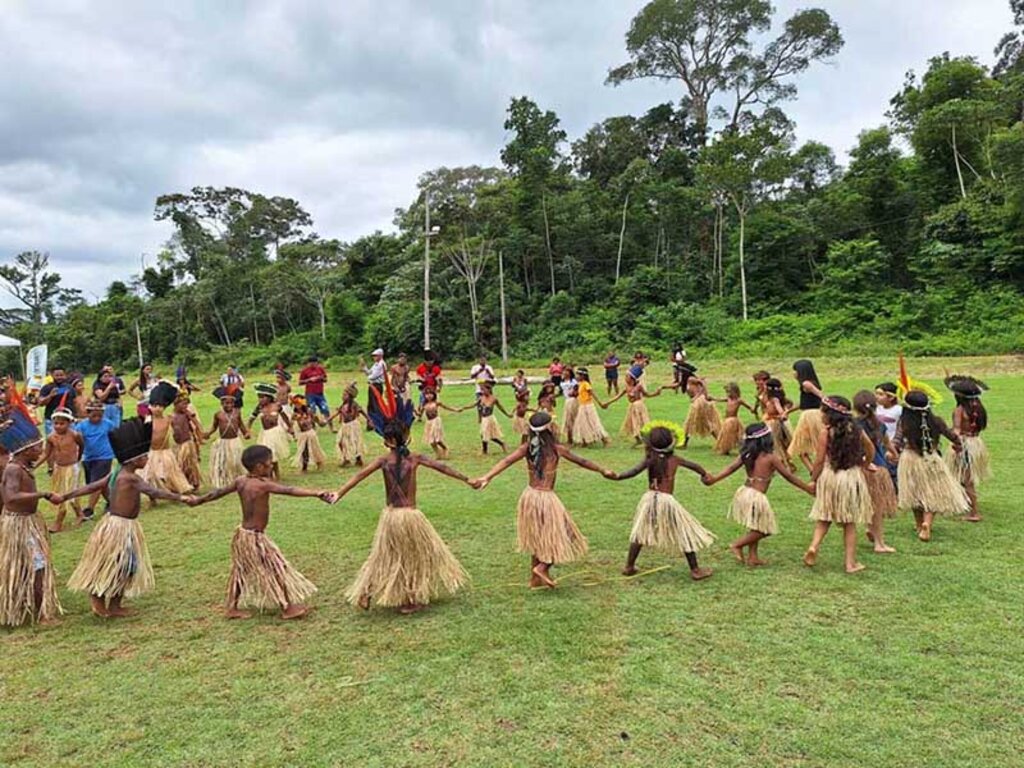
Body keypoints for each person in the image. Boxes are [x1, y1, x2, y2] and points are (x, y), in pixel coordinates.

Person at [334, 379, 473, 614]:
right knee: (411, 556)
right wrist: (468, 479)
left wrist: (339, 493)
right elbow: (444, 468)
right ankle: (410, 599)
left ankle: (367, 590)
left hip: (390, 516)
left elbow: (357, 478)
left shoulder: (382, 460)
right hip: (410, 516)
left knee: (384, 555)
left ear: (386, 440)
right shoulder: (415, 458)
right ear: (407, 434)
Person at [65, 418, 198, 618]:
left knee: (126, 565)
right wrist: (181, 497)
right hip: (118, 527)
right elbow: (155, 491)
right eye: (144, 456)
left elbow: (93, 486)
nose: (147, 459)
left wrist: (67, 495)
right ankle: (98, 601)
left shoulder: (116, 473)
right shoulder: (130, 478)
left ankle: (116, 604)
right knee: (115, 564)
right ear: (135, 459)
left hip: (122, 527)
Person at [471, 411, 615, 588]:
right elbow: (582, 461)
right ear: (550, 429)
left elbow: (507, 461)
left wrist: (487, 477)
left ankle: (535, 580)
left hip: (529, 496)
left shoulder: (526, 448)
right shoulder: (557, 449)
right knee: (567, 533)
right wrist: (602, 470)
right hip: (546, 498)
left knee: (538, 538)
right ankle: (543, 567)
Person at [193, 445, 331, 620]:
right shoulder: (262, 485)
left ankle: (232, 608)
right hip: (255, 538)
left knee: (241, 570)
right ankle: (287, 607)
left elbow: (218, 493)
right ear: (259, 467)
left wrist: (198, 500)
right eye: (268, 463)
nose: (272, 465)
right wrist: (316, 493)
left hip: (243, 534)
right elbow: (289, 490)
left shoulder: (241, 481)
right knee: (275, 569)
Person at [607, 422, 715, 581]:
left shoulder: (650, 458)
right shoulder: (675, 459)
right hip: (666, 501)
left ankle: (629, 566)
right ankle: (695, 570)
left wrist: (617, 476)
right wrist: (704, 474)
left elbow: (633, 471)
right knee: (684, 532)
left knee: (640, 532)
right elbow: (694, 466)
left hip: (650, 499)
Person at [704, 423, 815, 566]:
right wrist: (807, 488)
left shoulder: (746, 454)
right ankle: (737, 545)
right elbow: (789, 476)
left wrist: (714, 479)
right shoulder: (771, 457)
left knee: (756, 525)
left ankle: (753, 557)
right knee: (765, 529)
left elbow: (731, 468)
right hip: (756, 496)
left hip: (744, 492)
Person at [0, 388, 64, 626]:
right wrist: (44, 493)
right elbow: (11, 498)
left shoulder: (21, 466)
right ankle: (41, 614)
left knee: (37, 566)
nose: (41, 450)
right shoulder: (14, 469)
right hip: (20, 525)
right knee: (38, 566)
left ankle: (30, 607)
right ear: (25, 450)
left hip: (28, 522)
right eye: (37, 447)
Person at [803, 396, 876, 573]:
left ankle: (814, 546)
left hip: (830, 476)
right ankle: (850, 564)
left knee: (824, 515)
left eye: (823, 411)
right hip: (850, 477)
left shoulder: (826, 432)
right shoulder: (857, 430)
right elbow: (870, 448)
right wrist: (865, 463)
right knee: (849, 522)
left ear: (831, 414)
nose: (820, 414)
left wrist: (813, 479)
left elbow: (819, 460)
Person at [892, 390, 969, 541]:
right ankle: (927, 523)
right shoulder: (936, 421)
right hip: (932, 459)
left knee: (914, 494)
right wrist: (958, 446)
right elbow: (953, 436)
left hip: (910, 459)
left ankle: (919, 524)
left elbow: (897, 440)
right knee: (932, 493)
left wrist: (892, 452)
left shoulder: (904, 422)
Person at [852, 390, 898, 554]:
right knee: (877, 508)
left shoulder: (854, 424)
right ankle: (879, 543)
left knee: (870, 504)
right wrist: (894, 453)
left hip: (860, 468)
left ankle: (870, 529)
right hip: (877, 468)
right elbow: (887, 443)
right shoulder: (879, 424)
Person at [944, 375, 991, 523]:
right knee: (965, 478)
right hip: (976, 442)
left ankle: (974, 512)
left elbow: (957, 430)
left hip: (964, 446)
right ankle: (965, 503)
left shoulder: (959, 410)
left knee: (966, 479)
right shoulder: (979, 409)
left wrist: (950, 437)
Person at [141, 382, 195, 499]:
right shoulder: (147, 421)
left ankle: (176, 490)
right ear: (150, 406)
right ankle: (153, 496)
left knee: (171, 474)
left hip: (166, 452)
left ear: (165, 407)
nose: (157, 408)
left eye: (160, 406)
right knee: (151, 476)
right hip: (153, 453)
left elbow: (180, 426)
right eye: (154, 405)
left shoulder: (169, 419)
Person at [38, 403, 84, 532]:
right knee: (64, 492)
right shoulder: (51, 437)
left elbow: (81, 446)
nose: (58, 426)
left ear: (69, 423)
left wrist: (78, 458)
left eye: (61, 423)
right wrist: (35, 465)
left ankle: (58, 522)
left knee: (65, 494)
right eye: (56, 424)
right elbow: (46, 454)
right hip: (59, 468)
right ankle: (80, 514)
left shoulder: (75, 435)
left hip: (72, 468)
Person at [75, 400, 116, 519]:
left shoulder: (108, 424)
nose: (97, 418)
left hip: (104, 457)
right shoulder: (82, 426)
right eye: (94, 415)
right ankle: (112, 502)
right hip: (88, 458)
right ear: (87, 414)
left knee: (96, 484)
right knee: (99, 484)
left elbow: (115, 437)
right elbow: (77, 439)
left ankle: (90, 509)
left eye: (100, 415)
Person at [205, 388, 251, 487]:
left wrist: (245, 433)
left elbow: (241, 425)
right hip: (224, 442)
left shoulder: (237, 413)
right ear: (221, 403)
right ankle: (225, 480)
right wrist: (208, 433)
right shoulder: (218, 414)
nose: (229, 405)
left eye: (231, 403)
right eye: (226, 403)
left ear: (234, 403)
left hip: (235, 442)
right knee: (224, 463)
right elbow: (214, 426)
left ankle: (238, 478)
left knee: (236, 462)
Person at [605, 365, 663, 444]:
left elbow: (647, 395)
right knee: (634, 423)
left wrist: (656, 393)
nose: (625, 378)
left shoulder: (639, 386)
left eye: (627, 376)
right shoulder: (626, 388)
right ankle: (638, 438)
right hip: (632, 407)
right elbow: (617, 397)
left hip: (639, 406)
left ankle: (649, 438)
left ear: (632, 379)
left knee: (642, 422)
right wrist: (608, 403)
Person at [247, 383, 293, 480]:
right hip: (266, 434)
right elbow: (251, 418)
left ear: (269, 397)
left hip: (275, 433)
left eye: (262, 397)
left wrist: (290, 427)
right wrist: (248, 429)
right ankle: (270, 475)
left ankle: (277, 475)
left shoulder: (277, 406)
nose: (260, 400)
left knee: (273, 455)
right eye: (259, 397)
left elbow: (284, 417)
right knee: (268, 455)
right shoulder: (259, 408)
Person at [788, 360, 825, 472]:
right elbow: (805, 403)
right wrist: (787, 411)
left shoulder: (806, 384)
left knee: (801, 449)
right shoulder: (808, 384)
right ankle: (814, 472)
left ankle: (814, 472)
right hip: (812, 413)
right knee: (804, 449)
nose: (793, 373)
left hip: (810, 416)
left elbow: (821, 396)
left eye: (795, 371)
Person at [416, 387, 465, 459]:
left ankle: (445, 448)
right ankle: (438, 453)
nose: (429, 396)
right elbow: (420, 414)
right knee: (431, 442)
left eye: (430, 394)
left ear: (434, 395)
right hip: (429, 423)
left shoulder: (436, 403)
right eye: (427, 394)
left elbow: (446, 407)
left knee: (437, 439)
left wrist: (456, 410)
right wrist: (414, 411)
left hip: (436, 421)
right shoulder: (424, 405)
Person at [329, 383, 368, 468]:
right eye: (342, 394)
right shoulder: (343, 405)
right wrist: (328, 420)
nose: (342, 396)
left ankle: (358, 459)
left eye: (345, 395)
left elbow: (359, 412)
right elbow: (336, 413)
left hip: (353, 425)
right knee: (341, 442)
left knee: (355, 442)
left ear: (350, 396)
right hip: (345, 426)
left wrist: (369, 420)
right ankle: (346, 458)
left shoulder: (353, 404)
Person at [171, 391, 204, 490]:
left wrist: (190, 415)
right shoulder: (171, 417)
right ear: (176, 404)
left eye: (187, 404)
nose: (186, 406)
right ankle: (182, 483)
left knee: (190, 465)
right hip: (178, 445)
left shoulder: (186, 415)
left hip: (188, 444)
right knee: (180, 465)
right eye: (183, 404)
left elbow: (196, 425)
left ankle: (194, 482)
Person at [712, 383, 755, 455]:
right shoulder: (728, 399)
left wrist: (752, 410)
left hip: (733, 420)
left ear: (735, 392)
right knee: (726, 436)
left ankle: (744, 448)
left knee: (737, 436)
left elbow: (748, 406)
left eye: (729, 392)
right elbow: (720, 399)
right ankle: (725, 449)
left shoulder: (739, 400)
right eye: (727, 392)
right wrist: (713, 398)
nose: (728, 394)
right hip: (727, 421)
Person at [572, 368, 611, 447]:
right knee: (582, 423)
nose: (577, 376)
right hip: (582, 405)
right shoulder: (580, 384)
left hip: (588, 406)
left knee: (593, 423)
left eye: (578, 375)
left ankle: (605, 439)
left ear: (583, 376)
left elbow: (592, 394)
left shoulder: (586, 384)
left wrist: (600, 403)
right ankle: (585, 441)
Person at [761, 378, 795, 470]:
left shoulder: (775, 399)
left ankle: (783, 463)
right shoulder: (765, 396)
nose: (763, 386)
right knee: (771, 443)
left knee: (776, 443)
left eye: (765, 385)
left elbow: (781, 411)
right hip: (768, 421)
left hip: (774, 423)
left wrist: (784, 413)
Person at [469, 380, 510, 454]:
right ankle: (495, 446)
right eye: (482, 390)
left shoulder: (493, 398)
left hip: (489, 418)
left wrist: (507, 414)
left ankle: (487, 450)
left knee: (487, 434)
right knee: (484, 435)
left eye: (484, 389)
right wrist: (462, 408)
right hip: (484, 419)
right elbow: (474, 405)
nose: (483, 391)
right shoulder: (481, 398)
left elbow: (501, 408)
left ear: (489, 390)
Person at [681, 375, 722, 447]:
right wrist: (663, 387)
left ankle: (720, 442)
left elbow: (703, 384)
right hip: (698, 402)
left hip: (699, 403)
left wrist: (698, 396)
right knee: (690, 423)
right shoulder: (685, 381)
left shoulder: (691, 379)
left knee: (702, 423)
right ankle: (684, 443)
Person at [291, 396, 328, 473]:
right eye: (295, 404)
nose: (296, 406)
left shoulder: (309, 412)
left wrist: (323, 422)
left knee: (314, 449)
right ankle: (304, 467)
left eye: (298, 404)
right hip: (302, 435)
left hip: (311, 434)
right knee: (304, 451)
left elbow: (317, 421)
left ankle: (318, 462)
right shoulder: (295, 415)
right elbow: (291, 424)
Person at [360, 348, 387, 431]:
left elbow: (373, 376)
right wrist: (364, 367)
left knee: (376, 405)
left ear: (380, 356)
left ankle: (378, 423)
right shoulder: (376, 364)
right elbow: (369, 372)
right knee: (371, 405)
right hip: (372, 385)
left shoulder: (381, 364)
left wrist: (368, 378)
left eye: (376, 356)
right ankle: (371, 423)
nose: (374, 357)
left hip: (377, 385)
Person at [298, 356, 330, 421]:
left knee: (325, 409)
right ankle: (313, 426)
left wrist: (320, 378)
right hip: (310, 394)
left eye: (315, 363)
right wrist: (309, 380)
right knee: (312, 410)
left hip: (320, 393)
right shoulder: (304, 371)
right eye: (311, 363)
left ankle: (330, 426)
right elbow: (300, 382)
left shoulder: (320, 369)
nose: (313, 365)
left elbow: (325, 379)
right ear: (308, 363)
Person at [559, 367, 579, 445]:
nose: (565, 373)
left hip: (573, 401)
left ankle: (574, 438)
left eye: (567, 371)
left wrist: (573, 393)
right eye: (564, 371)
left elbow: (576, 391)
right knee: (567, 420)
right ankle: (569, 438)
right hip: (567, 401)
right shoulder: (562, 382)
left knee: (572, 419)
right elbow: (561, 392)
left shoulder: (573, 382)